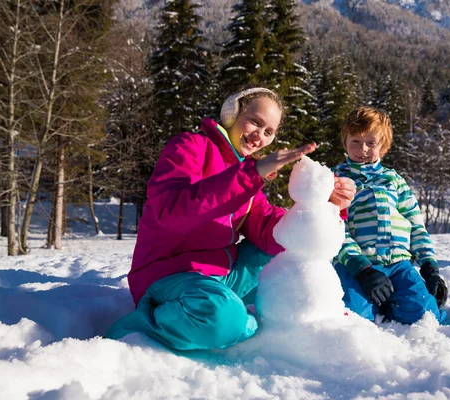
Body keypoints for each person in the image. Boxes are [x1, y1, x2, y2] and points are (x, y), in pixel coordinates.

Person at [105, 87, 356, 351]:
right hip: (167, 277)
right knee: (224, 319)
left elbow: (272, 230)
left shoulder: (246, 176)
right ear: (231, 113)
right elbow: (171, 212)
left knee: (290, 254)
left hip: (220, 277)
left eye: (269, 131)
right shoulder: (190, 146)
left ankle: (312, 317)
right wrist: (252, 174)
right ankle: (138, 328)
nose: (259, 135)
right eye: (255, 122)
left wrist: (325, 207)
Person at [331, 106, 448, 325]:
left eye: (371, 143)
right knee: (352, 315)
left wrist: (429, 267)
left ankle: (393, 304)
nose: (362, 148)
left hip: (398, 264)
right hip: (357, 266)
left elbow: (415, 225)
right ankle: (372, 304)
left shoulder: (393, 181)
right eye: (355, 140)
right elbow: (335, 228)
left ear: (383, 146)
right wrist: (362, 270)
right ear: (345, 140)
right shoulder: (336, 180)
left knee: (424, 314)